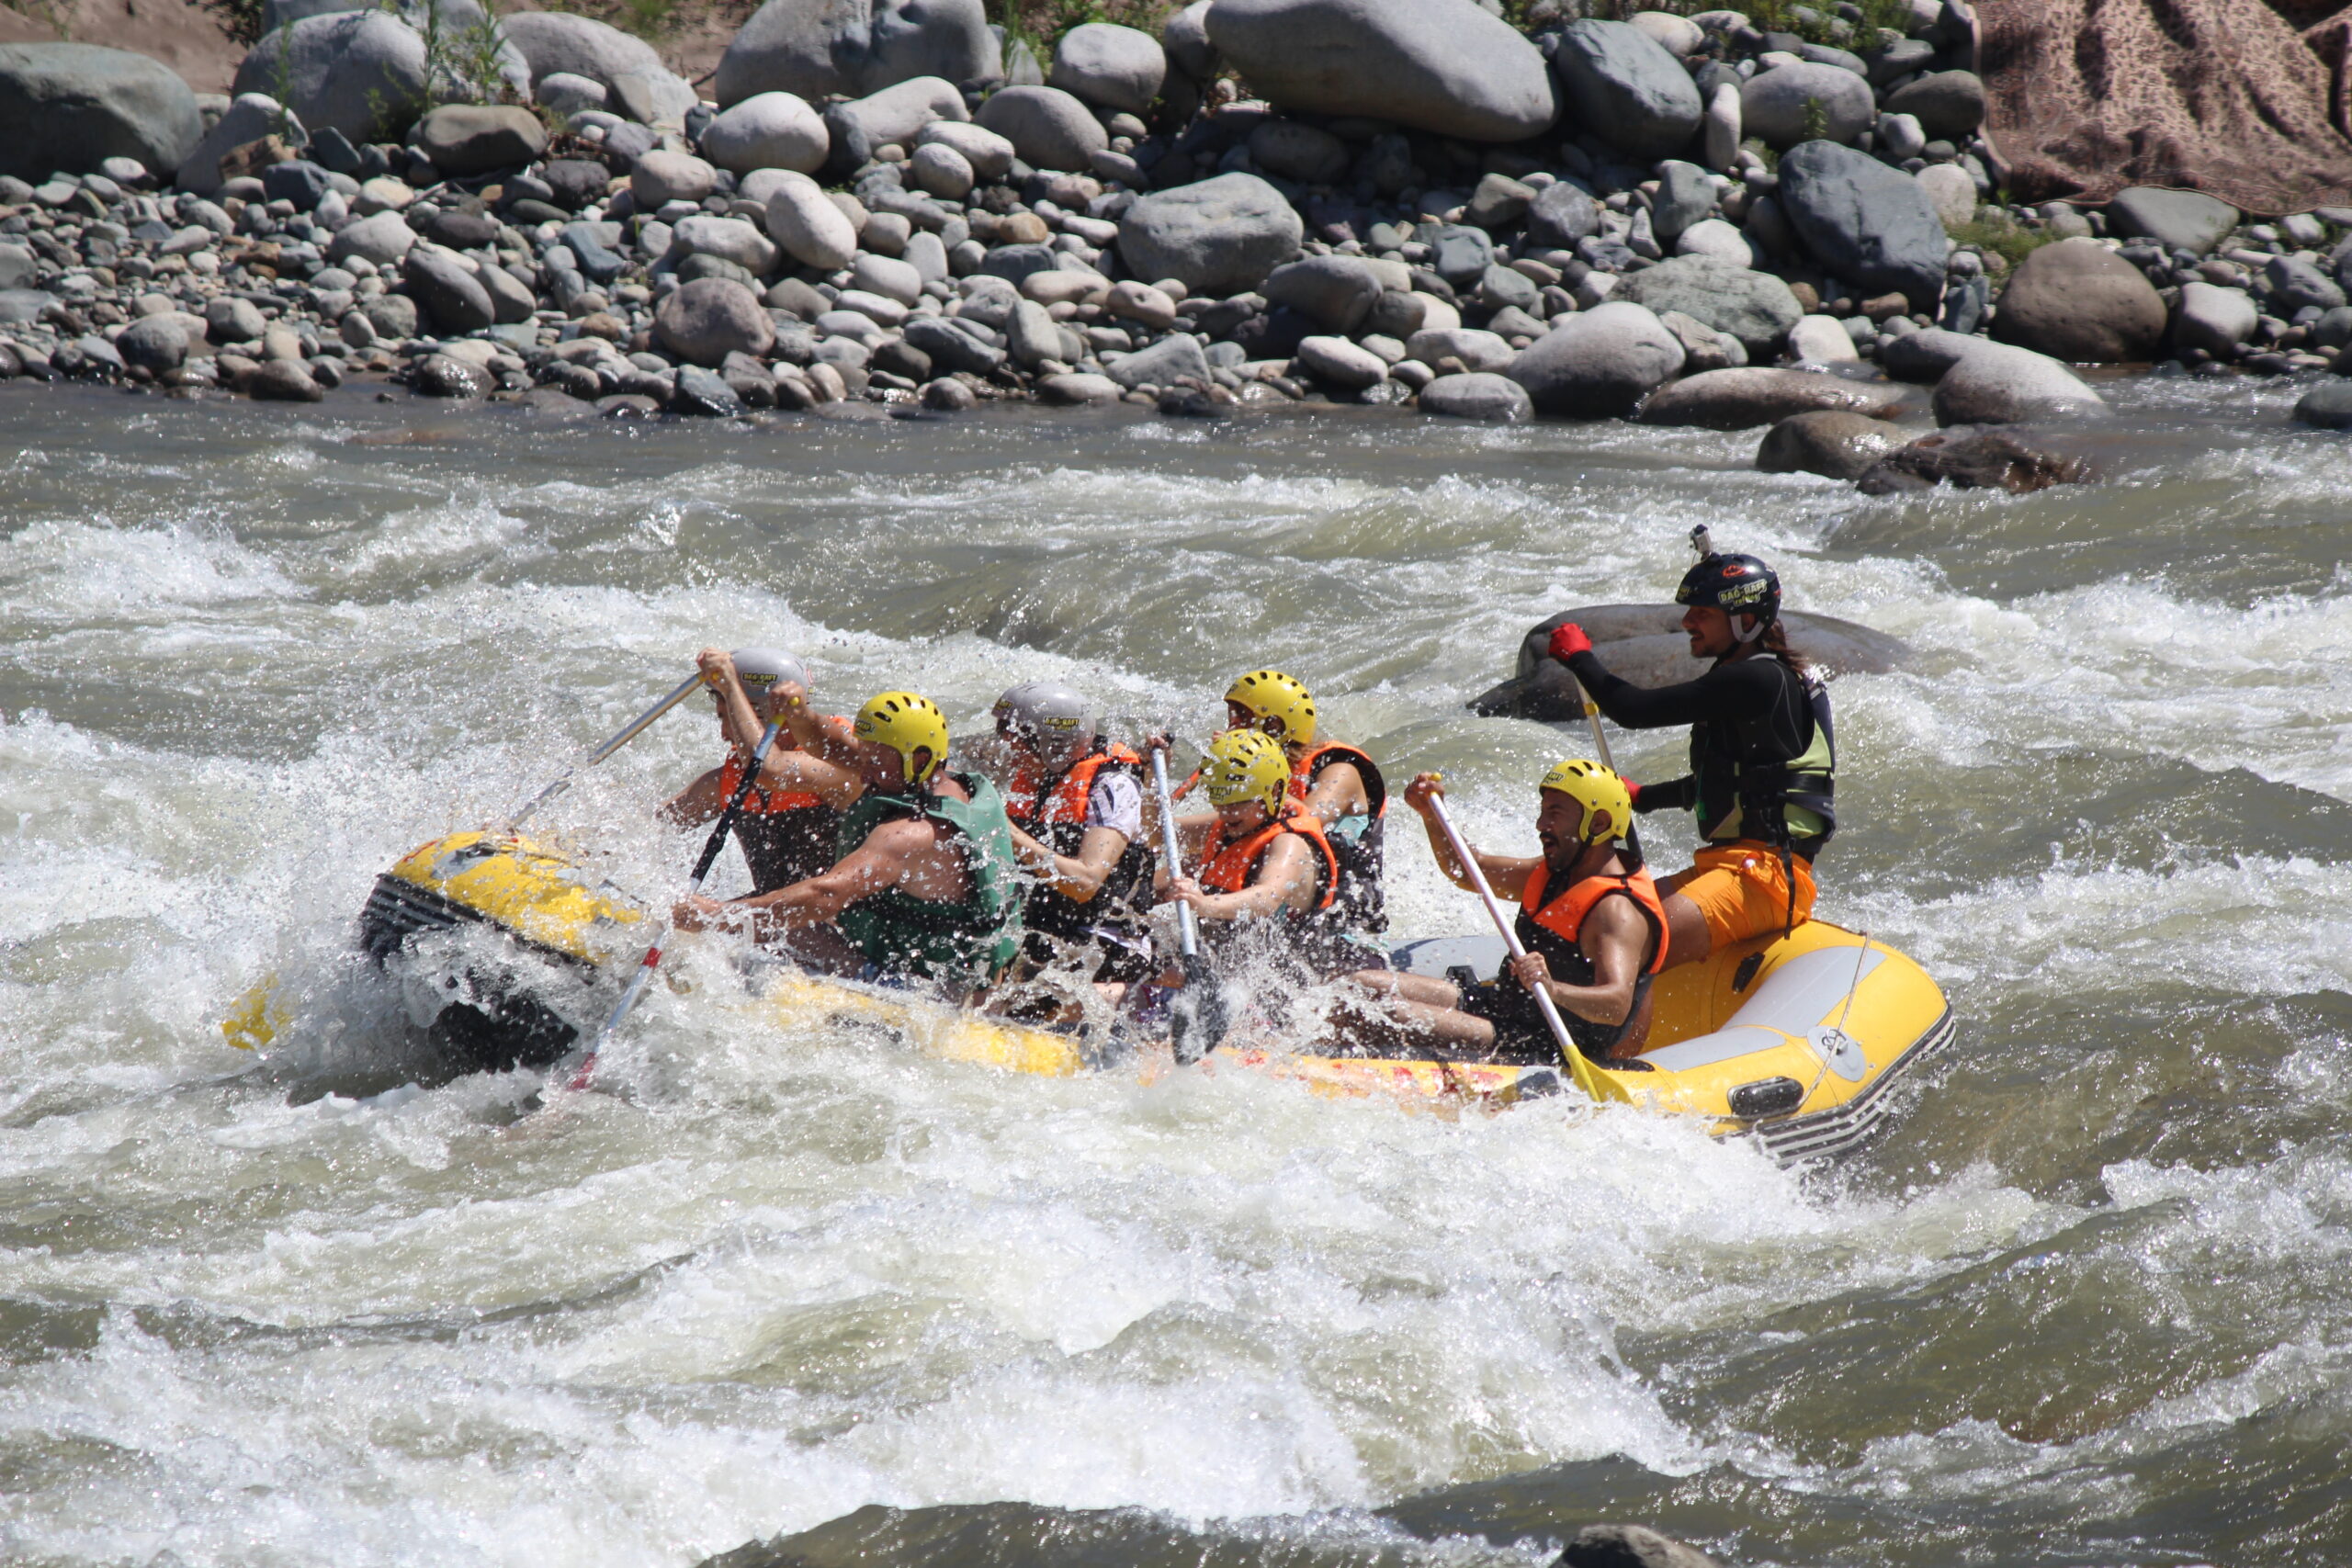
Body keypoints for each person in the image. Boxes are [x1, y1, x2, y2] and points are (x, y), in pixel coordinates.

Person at [1544, 540, 1835, 967]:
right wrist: (1644, 797)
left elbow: (1634, 711)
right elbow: (1732, 783)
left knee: (1620, 937)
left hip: (1764, 878)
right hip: (1726, 867)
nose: (1686, 622)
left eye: (1703, 613)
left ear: (1746, 621)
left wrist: (1581, 659)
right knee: (1584, 916)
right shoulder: (1751, 680)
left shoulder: (1758, 679)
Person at [673, 691, 1024, 998]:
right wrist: (801, 716)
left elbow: (825, 896)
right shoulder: (961, 786)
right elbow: (838, 748)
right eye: (865, 756)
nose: (863, 771)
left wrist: (715, 916)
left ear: (917, 759)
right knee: (769, 922)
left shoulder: (907, 834)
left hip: (926, 986)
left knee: (788, 930)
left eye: (873, 761)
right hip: (971, 966)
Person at [1342, 761, 1668, 1062]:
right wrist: (1431, 814)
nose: (1542, 824)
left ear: (1598, 822)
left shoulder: (1617, 911)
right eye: (1543, 812)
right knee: (1357, 985)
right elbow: (1469, 871)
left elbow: (1615, 1006)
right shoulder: (1556, 874)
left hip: (1545, 1040)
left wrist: (1553, 989)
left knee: (1369, 1013)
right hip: (1504, 1006)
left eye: (1555, 813)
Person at [989, 680, 1159, 988]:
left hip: (1102, 940)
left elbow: (1086, 882)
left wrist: (1008, 832)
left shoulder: (1113, 787)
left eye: (1010, 737)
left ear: (1052, 744)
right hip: (1041, 929)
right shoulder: (1035, 776)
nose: (1003, 746)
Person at [662, 647, 862, 894]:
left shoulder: (839, 766)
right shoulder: (727, 780)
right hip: (780, 915)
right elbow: (656, 828)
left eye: (730, 716)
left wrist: (732, 687)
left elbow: (771, 771)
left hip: (843, 915)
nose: (725, 734)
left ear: (768, 713)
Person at [1219, 669, 1389, 931]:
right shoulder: (1267, 778)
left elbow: (1300, 819)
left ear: (1274, 726)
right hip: (1280, 919)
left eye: (1241, 719)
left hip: (1342, 924)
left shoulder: (1340, 770)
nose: (1231, 729)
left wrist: (1241, 766)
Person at [1164, 728, 1344, 972]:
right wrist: (1148, 773)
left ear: (1275, 792)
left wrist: (1204, 904)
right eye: (1221, 803)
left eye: (1239, 802)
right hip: (1226, 967)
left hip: (1287, 978)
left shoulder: (1289, 843)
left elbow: (1267, 897)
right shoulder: (1235, 822)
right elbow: (1158, 833)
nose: (1228, 813)